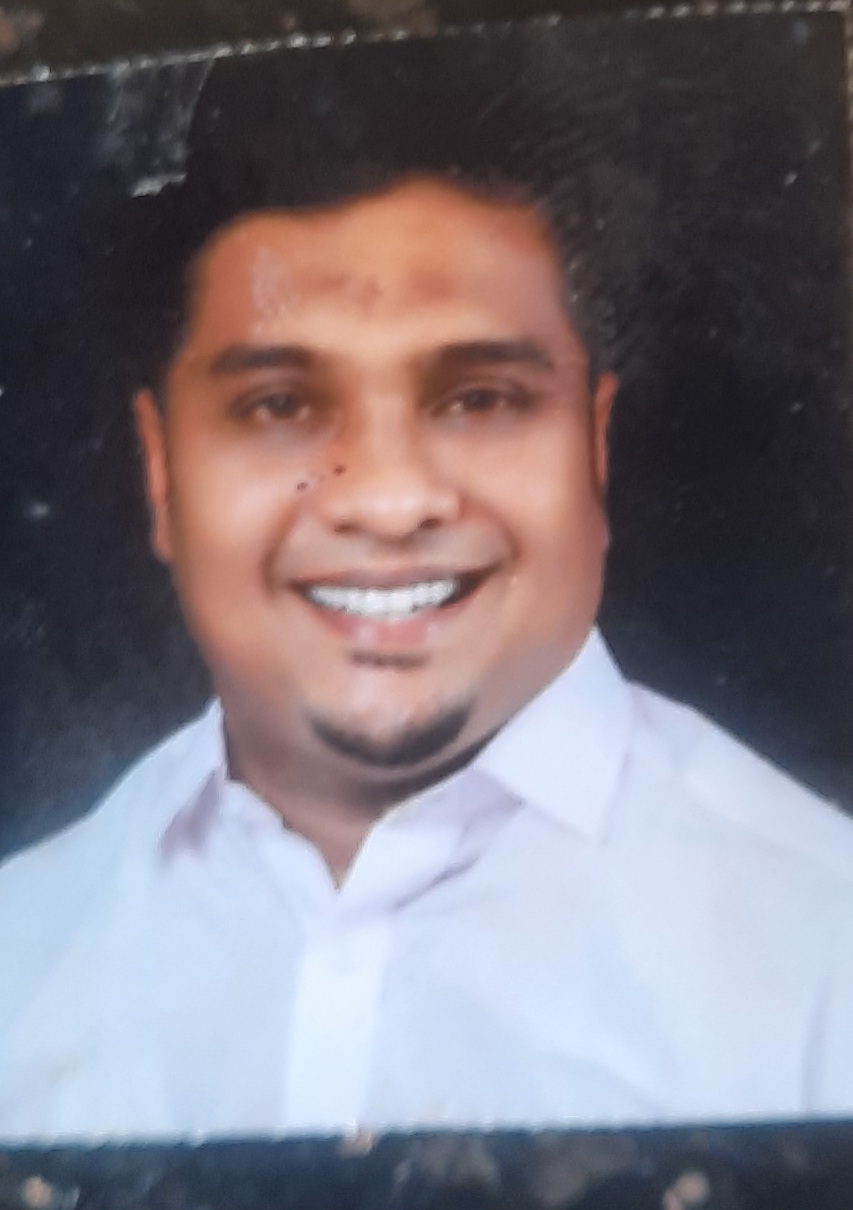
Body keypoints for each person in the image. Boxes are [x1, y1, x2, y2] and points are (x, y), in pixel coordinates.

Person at [2, 40, 853, 1141]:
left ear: (592, 446)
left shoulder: (821, 949)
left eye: (481, 398)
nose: (391, 499)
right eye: (278, 406)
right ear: (161, 472)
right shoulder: (27, 948)